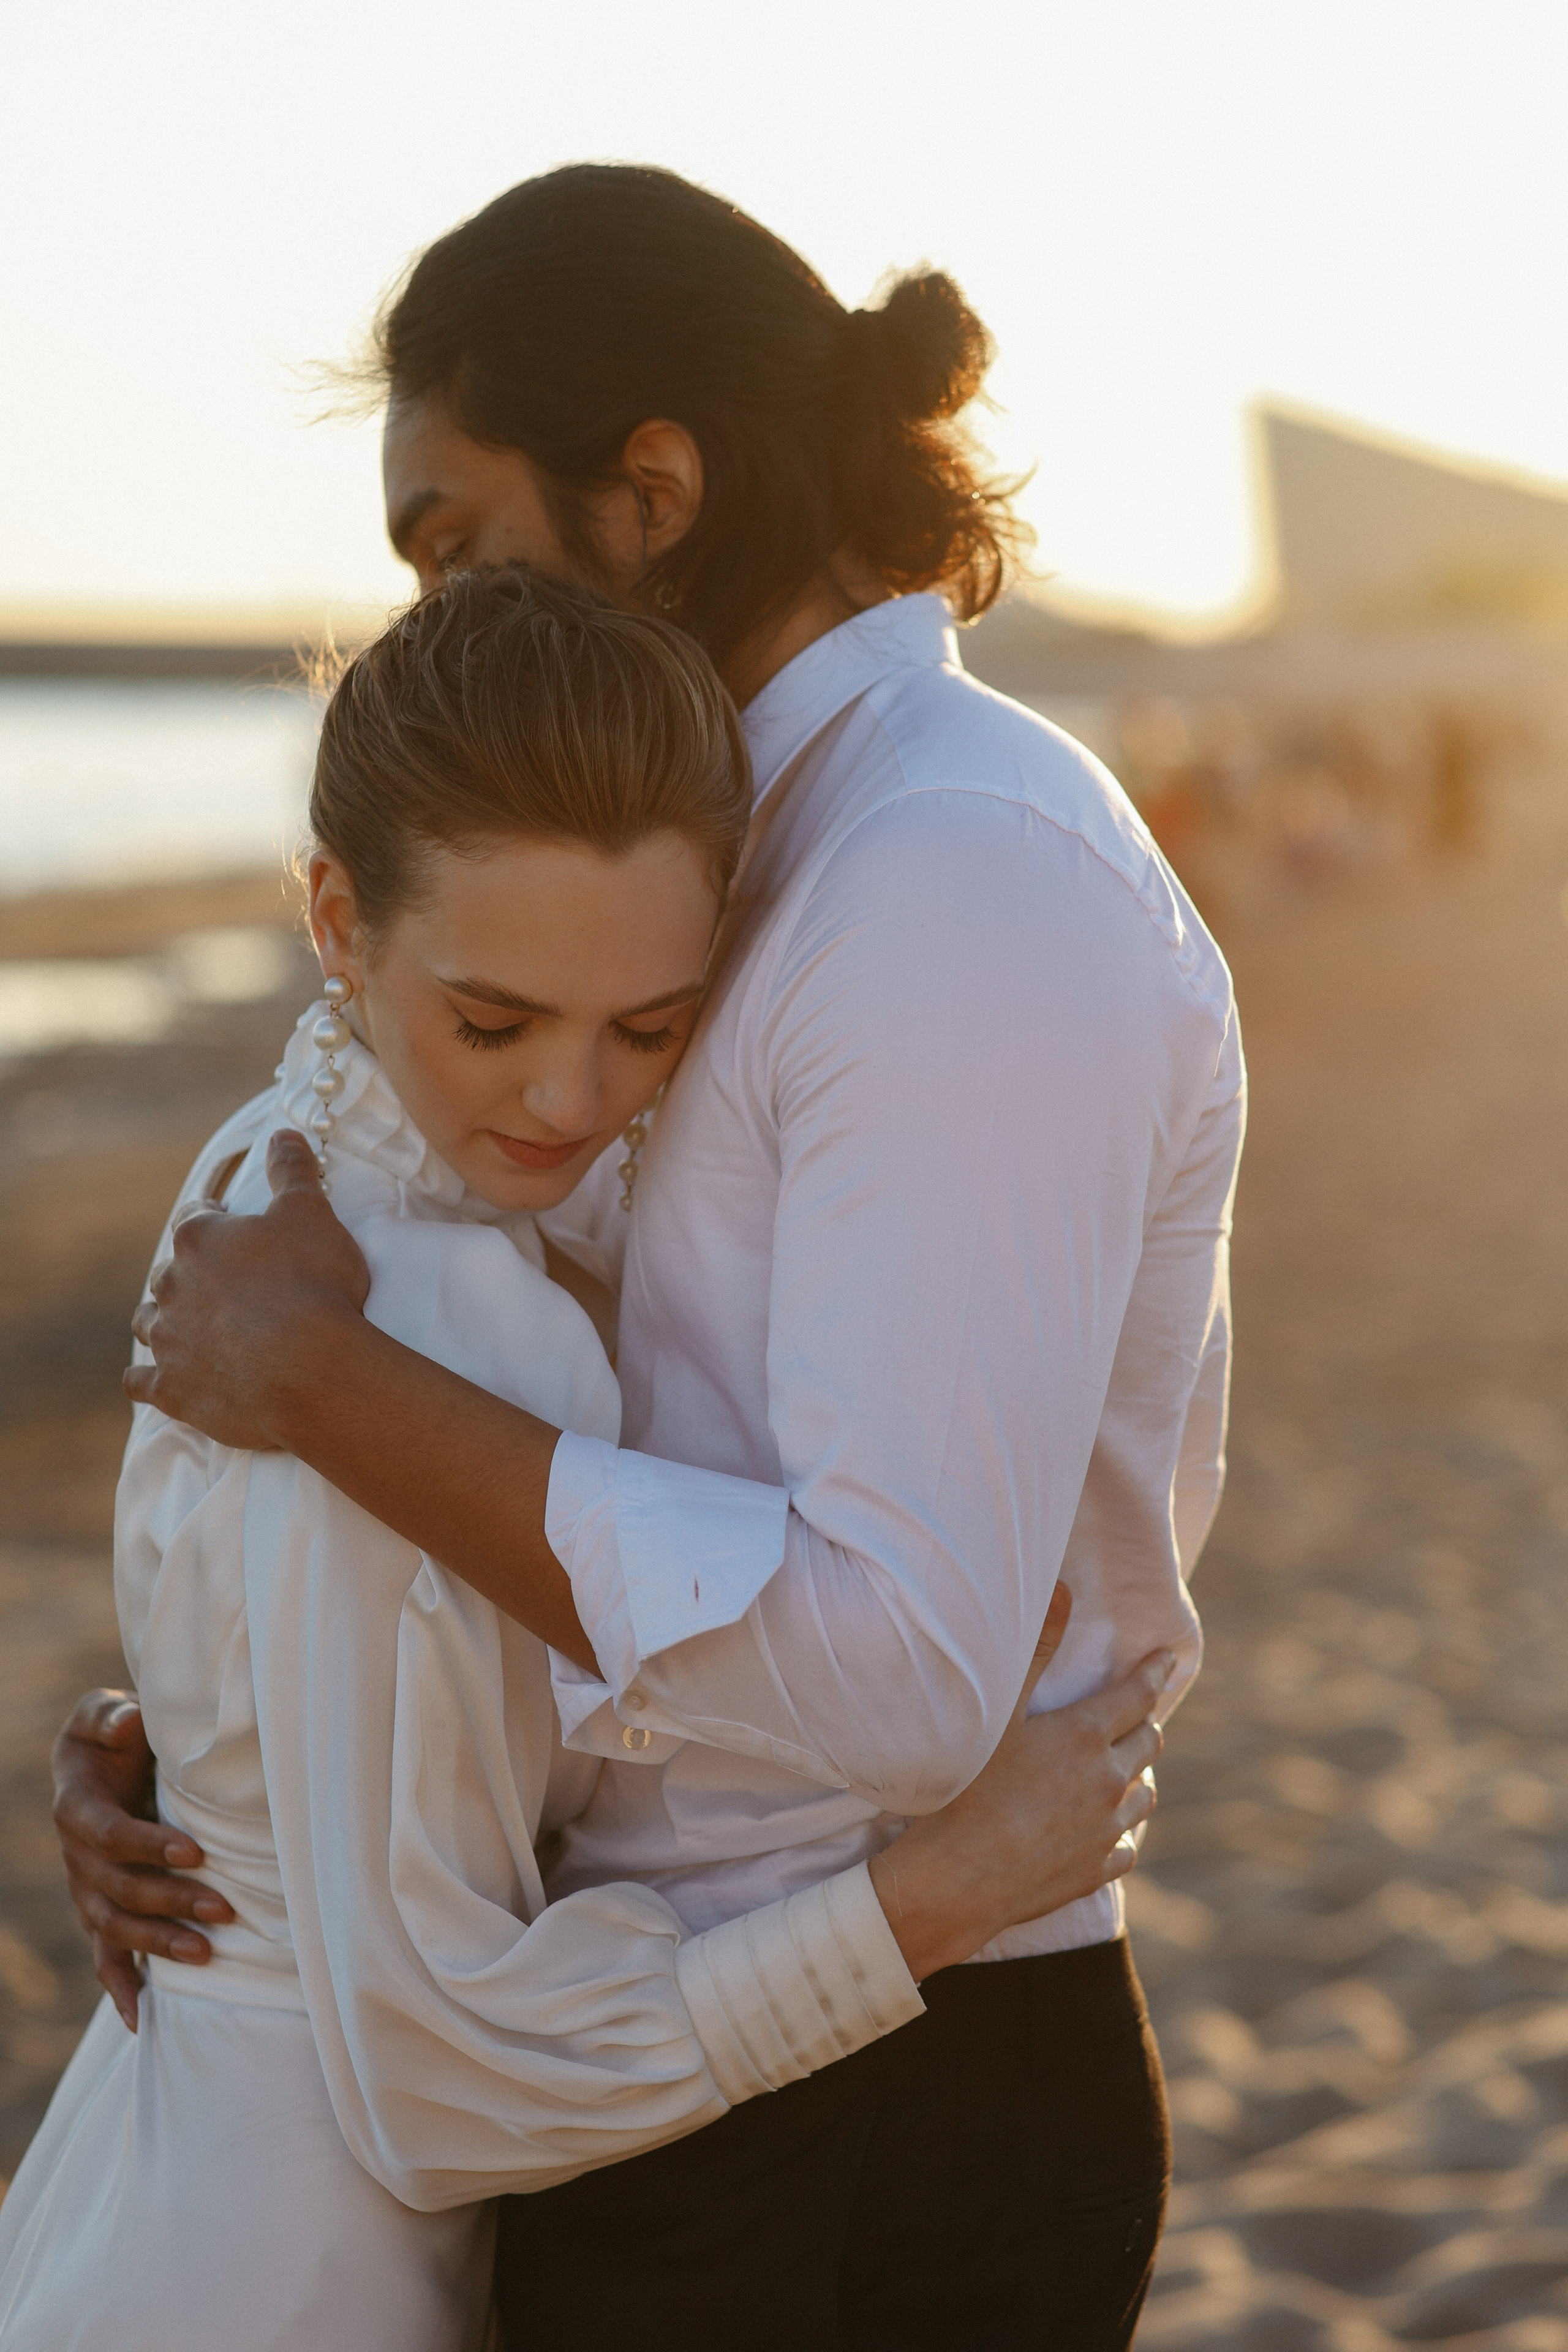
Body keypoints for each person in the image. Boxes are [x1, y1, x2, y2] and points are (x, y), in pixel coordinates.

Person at [54, 164, 1245, 2347]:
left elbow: (896, 1673)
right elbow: (613, 1404)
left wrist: (330, 1399)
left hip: (866, 2082)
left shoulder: (947, 875)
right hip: (645, 2035)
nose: (426, 614)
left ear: (657, 488)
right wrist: (243, 1733)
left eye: (446, 539)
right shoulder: (720, 871)